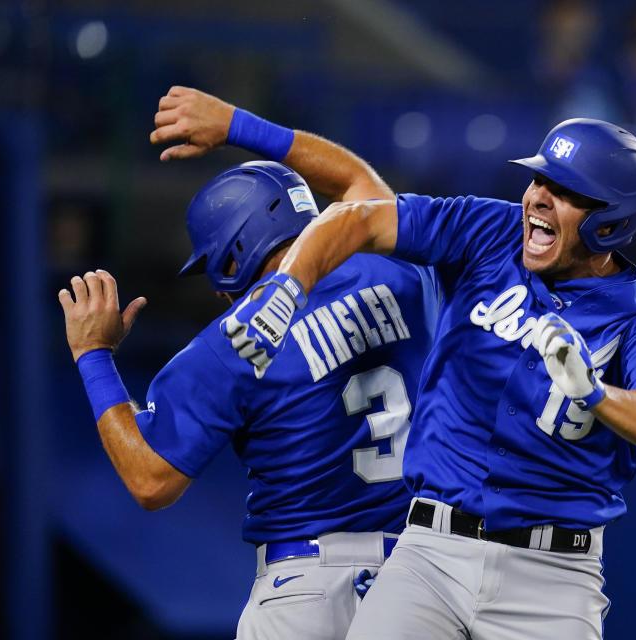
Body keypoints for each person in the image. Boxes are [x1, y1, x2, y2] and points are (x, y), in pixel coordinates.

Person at [162, 87, 636, 639]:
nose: (539, 198)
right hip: (430, 552)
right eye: (539, 180)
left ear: (610, 224)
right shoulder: (488, 231)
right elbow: (358, 216)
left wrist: (595, 392)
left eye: (565, 192)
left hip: (554, 577)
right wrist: (287, 287)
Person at [58, 156, 439, 639]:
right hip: (419, 583)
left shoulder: (234, 342)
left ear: (237, 250)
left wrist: (93, 355)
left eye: (215, 262)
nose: (218, 287)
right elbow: (369, 192)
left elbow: (150, 479)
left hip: (305, 593)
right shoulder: (404, 272)